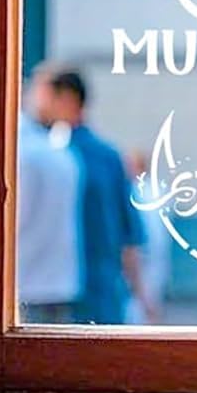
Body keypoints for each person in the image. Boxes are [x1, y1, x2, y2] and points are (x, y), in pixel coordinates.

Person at [31, 64, 153, 325]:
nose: (35, 103)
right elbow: (129, 238)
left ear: (66, 98)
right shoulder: (104, 156)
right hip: (93, 296)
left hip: (73, 297)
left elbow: (127, 236)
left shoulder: (57, 158)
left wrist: (143, 298)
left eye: (41, 94)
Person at [16, 101, 81, 324]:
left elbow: (17, 219)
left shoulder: (26, 154)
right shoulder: (62, 156)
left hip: (27, 283)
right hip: (60, 281)